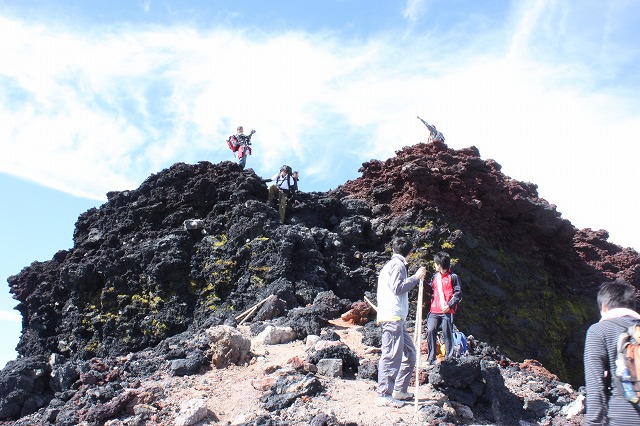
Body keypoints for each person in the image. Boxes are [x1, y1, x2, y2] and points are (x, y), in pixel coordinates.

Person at [376, 237, 427, 408]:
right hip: (392, 317)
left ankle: (399, 390)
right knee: (391, 355)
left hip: (396, 318)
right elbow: (398, 288)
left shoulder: (391, 265)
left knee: (410, 353)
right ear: (410, 252)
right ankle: (384, 394)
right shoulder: (397, 265)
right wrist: (415, 277)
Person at [584, 280, 640, 425]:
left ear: (604, 307)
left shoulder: (599, 330)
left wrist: (594, 423)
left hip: (622, 417)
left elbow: (595, 384)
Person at [425, 251, 462, 365]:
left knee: (447, 332)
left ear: (440, 265)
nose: (434, 266)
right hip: (434, 309)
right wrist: (423, 282)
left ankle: (448, 358)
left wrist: (449, 305)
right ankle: (431, 358)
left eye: (435, 263)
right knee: (431, 330)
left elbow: (458, 294)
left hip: (447, 310)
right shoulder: (435, 277)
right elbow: (431, 290)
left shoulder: (453, 277)